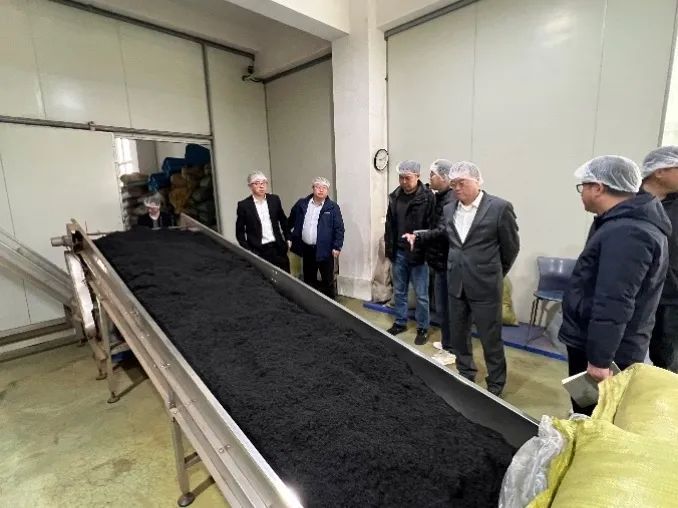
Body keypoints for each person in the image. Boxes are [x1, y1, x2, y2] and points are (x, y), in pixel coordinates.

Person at [559, 155, 670, 415]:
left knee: (595, 414)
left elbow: (615, 300)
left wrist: (599, 359)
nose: (581, 193)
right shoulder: (621, 223)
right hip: (602, 341)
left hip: (607, 349)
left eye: (583, 186)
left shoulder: (628, 232)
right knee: (590, 410)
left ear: (598, 188)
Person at [404, 161, 519, 396]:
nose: (456, 188)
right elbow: (445, 234)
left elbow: (510, 248)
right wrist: (420, 236)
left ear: (477, 181)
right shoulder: (449, 209)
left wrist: (493, 273)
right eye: (454, 183)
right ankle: (466, 374)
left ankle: (496, 384)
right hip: (456, 282)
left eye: (462, 183)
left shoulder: (499, 208)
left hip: (485, 286)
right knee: (459, 335)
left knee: (490, 338)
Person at [385, 160, 435, 345]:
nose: (404, 182)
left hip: (419, 254)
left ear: (417, 176)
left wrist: (426, 250)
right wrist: (389, 249)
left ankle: (423, 327)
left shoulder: (428, 198)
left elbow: (433, 226)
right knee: (399, 291)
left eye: (407, 178)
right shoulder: (395, 197)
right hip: (399, 252)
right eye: (401, 178)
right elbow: (389, 225)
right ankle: (400, 322)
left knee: (421, 295)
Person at [641, 146, 678, 373]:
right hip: (634, 295)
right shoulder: (629, 200)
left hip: (671, 299)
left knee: (667, 364)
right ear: (660, 171)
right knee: (621, 360)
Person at [289, 177, 345, 298]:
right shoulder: (302, 204)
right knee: (309, 280)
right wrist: (289, 237)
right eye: (318, 187)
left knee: (327, 280)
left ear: (327, 191)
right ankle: (311, 303)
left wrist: (337, 246)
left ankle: (330, 304)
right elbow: (290, 220)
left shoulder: (333, 207)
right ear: (313, 188)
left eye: (324, 188)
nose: (321, 190)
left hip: (325, 250)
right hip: (307, 249)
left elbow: (339, 228)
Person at [426, 159, 456, 364]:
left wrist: (421, 236)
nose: (429, 178)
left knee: (448, 309)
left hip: (448, 263)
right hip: (439, 261)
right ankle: (447, 341)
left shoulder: (450, 200)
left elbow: (444, 232)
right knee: (442, 307)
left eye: (432, 175)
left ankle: (451, 350)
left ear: (444, 177)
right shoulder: (440, 198)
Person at [235, 171, 291, 272]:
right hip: (258, 250)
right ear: (250, 186)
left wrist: (288, 238)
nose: (261, 186)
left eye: (264, 183)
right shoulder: (244, 205)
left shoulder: (274, 199)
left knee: (285, 275)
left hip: (278, 247)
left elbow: (283, 220)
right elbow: (240, 231)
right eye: (257, 183)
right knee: (263, 277)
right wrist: (248, 250)